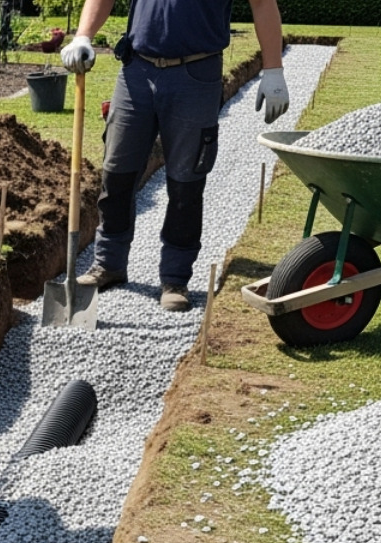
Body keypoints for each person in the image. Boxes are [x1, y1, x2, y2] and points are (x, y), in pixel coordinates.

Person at [61, 0, 289, 312]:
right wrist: (83, 35)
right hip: (136, 70)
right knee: (116, 174)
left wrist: (273, 69)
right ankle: (108, 263)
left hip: (196, 74)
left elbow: (262, 5)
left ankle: (175, 278)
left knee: (186, 183)